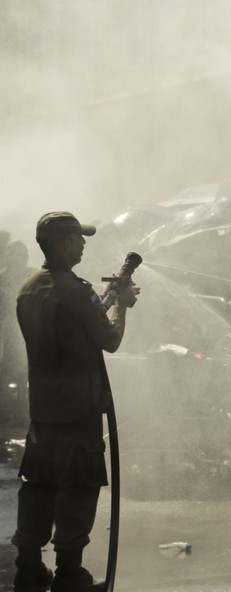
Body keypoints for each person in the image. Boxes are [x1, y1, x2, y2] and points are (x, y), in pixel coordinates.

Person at [12, 212, 139, 592]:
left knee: (38, 486)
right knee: (79, 487)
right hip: (78, 408)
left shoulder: (29, 287)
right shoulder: (75, 289)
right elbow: (109, 339)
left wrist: (108, 296)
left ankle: (29, 567)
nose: (84, 244)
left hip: (44, 409)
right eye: (79, 239)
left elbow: (73, 327)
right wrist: (123, 305)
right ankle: (70, 572)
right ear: (65, 244)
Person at [0, 241, 37, 427]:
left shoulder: (6, 276)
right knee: (18, 374)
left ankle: (10, 414)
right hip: (19, 330)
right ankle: (18, 414)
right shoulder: (31, 275)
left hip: (17, 330)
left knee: (14, 374)